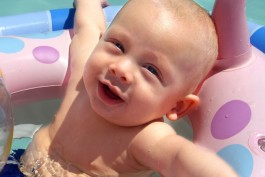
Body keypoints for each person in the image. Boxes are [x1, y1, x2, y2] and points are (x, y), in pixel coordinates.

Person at [19, 0, 238, 176]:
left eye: (151, 69)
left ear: (177, 106)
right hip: (18, 165)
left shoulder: (148, 138)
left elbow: (179, 158)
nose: (120, 68)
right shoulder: (83, 73)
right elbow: (89, 27)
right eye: (118, 45)